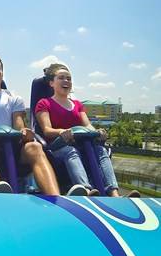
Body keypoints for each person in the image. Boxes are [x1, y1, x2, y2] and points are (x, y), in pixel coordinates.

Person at [34, 63, 140, 197]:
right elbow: (47, 130)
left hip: (80, 143)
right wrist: (61, 132)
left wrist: (98, 132)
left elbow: (88, 126)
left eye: (69, 78)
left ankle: (114, 193)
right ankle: (86, 190)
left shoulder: (78, 105)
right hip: (58, 146)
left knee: (101, 150)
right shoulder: (44, 103)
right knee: (71, 151)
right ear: (51, 83)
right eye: (61, 78)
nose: (66, 81)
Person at [0, 54, 61, 195]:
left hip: (12, 148)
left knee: (34, 146)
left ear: (2, 73)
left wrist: (25, 133)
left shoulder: (14, 99)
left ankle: (55, 197)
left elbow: (19, 127)